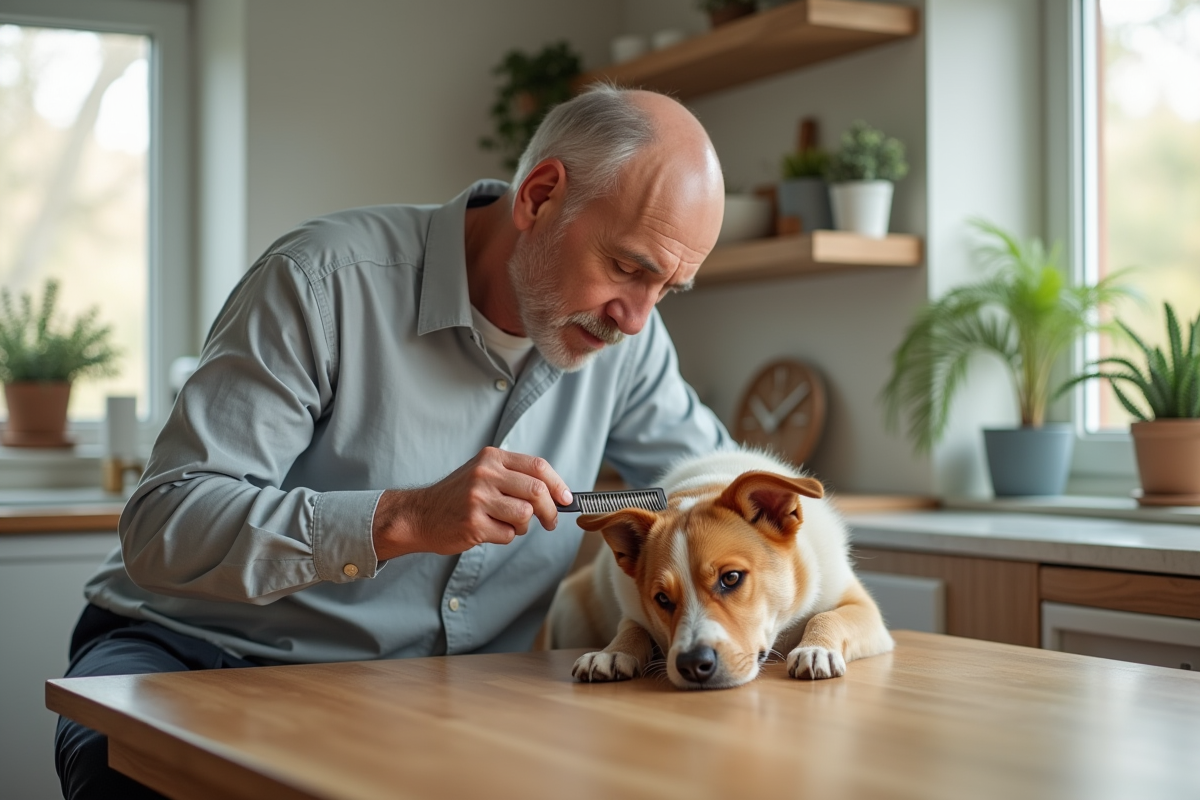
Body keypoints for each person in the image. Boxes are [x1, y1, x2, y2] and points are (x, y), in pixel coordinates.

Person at [54, 84, 732, 798]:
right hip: (192, 657)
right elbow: (166, 526)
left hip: (429, 696)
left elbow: (720, 494)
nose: (635, 319)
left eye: (668, 289)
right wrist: (399, 520)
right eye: (628, 268)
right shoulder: (321, 282)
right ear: (539, 196)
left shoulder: (629, 341)